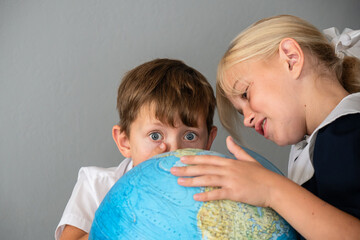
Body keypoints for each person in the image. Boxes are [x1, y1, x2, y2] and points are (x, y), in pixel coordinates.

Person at [171, 15, 360, 239]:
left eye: (245, 94)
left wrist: (271, 189)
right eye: (241, 111)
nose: (246, 120)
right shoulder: (321, 142)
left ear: (291, 59)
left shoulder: (346, 135)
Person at [55, 58, 218, 240]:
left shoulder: (216, 191)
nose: (174, 151)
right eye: (155, 136)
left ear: (208, 142)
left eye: (190, 136)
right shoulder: (97, 185)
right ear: (125, 141)